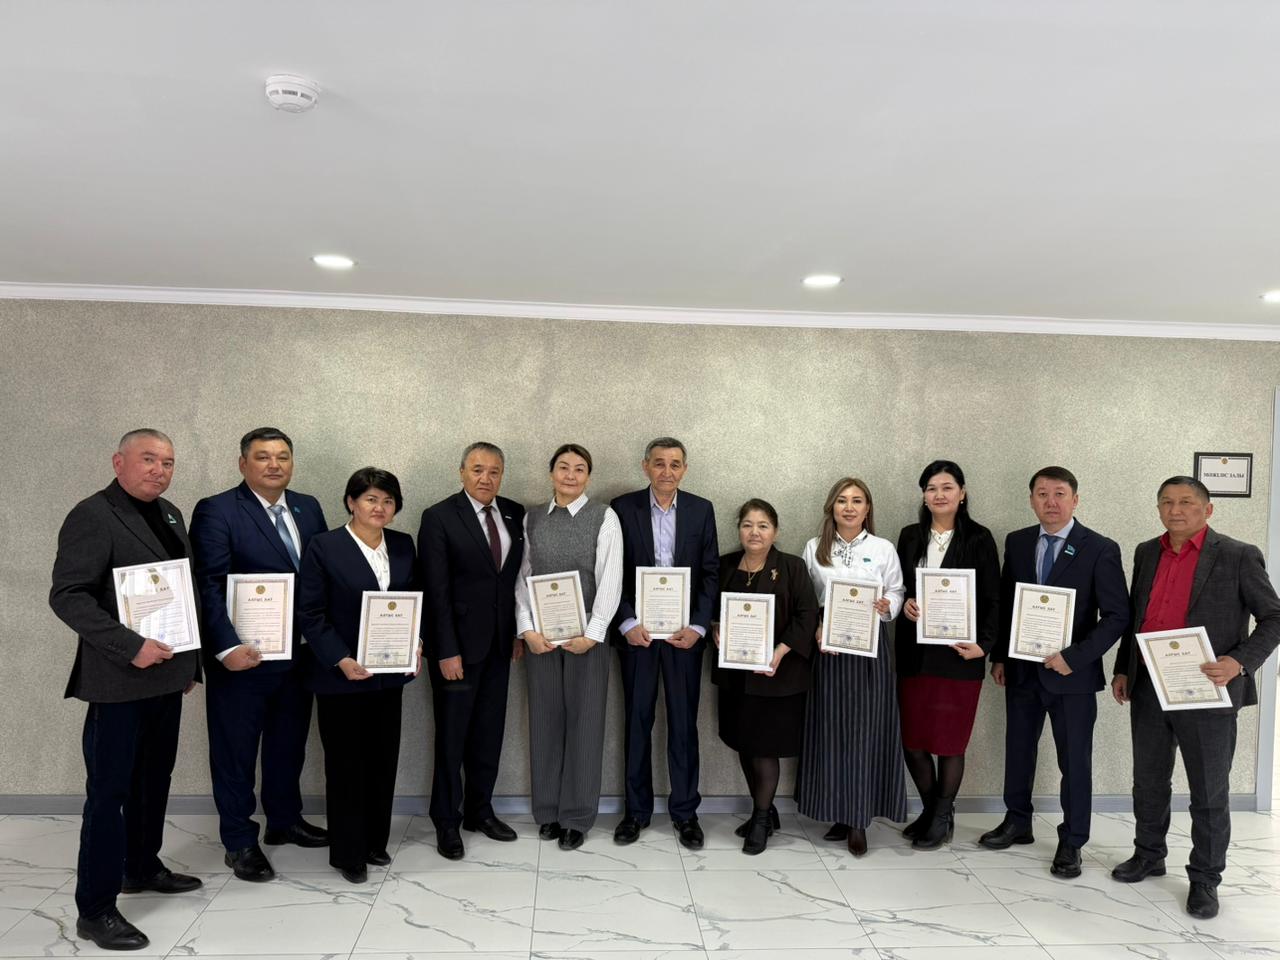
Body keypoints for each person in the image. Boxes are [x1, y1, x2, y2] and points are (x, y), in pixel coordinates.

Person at [49, 429, 202, 951]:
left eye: (168, 462)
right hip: (118, 680)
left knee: (154, 780)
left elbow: (182, 592)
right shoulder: (92, 515)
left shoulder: (170, 514)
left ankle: (141, 866)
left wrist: (189, 664)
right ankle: (95, 909)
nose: (160, 470)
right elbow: (68, 595)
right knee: (109, 793)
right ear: (119, 462)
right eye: (149, 459)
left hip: (167, 676)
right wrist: (131, 646)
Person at [1110, 476, 1280, 919]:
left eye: (1186, 502)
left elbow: (1275, 617)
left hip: (1209, 688)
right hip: (1149, 684)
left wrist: (1239, 662)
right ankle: (1149, 854)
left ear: (1208, 509)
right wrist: (1124, 669)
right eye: (1167, 502)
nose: (1176, 510)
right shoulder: (1147, 552)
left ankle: (1205, 878)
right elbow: (1136, 616)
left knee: (1208, 790)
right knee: (1148, 780)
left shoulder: (1239, 555)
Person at [189, 427, 329, 884]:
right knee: (236, 751)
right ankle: (239, 841)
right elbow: (208, 585)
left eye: (282, 456)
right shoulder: (217, 510)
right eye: (263, 456)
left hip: (298, 655)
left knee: (288, 744)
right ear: (243, 463)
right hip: (242, 659)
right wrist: (226, 647)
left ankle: (284, 821)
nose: (274, 465)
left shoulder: (308, 507)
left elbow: (323, 576)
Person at [982, 466, 1129, 879]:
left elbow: (1117, 616)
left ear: (1075, 500)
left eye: (1059, 493)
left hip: (1072, 677)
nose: (1051, 502)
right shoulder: (1018, 541)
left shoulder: (1100, 548)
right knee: (1018, 750)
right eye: (1042, 494)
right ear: (1031, 499)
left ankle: (1073, 840)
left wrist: (1075, 657)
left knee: (1075, 762)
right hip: (1021, 670)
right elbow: (1008, 602)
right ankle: (1017, 821)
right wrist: (999, 657)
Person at [297, 467, 421, 884]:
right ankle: (348, 852)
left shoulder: (402, 544)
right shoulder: (324, 546)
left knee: (383, 758)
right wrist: (341, 658)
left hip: (388, 674)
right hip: (341, 676)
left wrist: (417, 643)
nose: (379, 507)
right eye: (370, 499)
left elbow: (413, 601)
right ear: (351, 502)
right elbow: (311, 613)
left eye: (387, 500)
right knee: (346, 764)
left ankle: (374, 842)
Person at [418, 442, 526, 860]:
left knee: (488, 734)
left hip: (499, 645)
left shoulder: (513, 512)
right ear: (461, 471)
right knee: (452, 738)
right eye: (478, 470)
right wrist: (446, 650)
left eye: (494, 471)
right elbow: (435, 590)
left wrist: (516, 632)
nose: (486, 478)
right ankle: (447, 820)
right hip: (457, 650)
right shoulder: (439, 517)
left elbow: (514, 580)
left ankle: (480, 811)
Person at [611, 437, 719, 850]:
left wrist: (698, 626)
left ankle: (685, 812)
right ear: (646, 467)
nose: (667, 471)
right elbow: (612, 573)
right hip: (637, 637)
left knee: (683, 725)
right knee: (637, 723)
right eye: (659, 463)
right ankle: (635, 812)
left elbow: (710, 573)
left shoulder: (701, 510)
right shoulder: (623, 509)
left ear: (684, 469)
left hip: (682, 639)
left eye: (675, 464)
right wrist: (626, 622)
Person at [514, 443, 623, 850]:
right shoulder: (533, 518)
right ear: (551, 473)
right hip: (542, 639)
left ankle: (576, 816)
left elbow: (610, 577)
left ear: (588, 477)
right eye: (563, 467)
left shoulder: (603, 517)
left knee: (585, 724)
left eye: (579, 469)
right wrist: (527, 629)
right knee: (544, 723)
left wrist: (594, 633)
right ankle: (547, 811)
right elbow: (522, 576)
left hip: (586, 638)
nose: (571, 475)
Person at [796, 478, 906, 857]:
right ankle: (837, 812)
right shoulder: (814, 547)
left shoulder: (882, 548)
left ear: (867, 508)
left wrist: (888, 606)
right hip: (828, 648)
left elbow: (897, 591)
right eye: (842, 500)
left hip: (869, 650)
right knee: (832, 730)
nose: (849, 507)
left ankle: (859, 819)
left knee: (864, 731)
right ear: (832, 506)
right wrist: (816, 628)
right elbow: (806, 599)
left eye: (857, 501)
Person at [894, 461, 1000, 849]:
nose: (939, 494)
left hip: (959, 656)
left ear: (962, 493)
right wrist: (905, 604)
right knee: (913, 741)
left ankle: (941, 817)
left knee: (950, 742)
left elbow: (993, 598)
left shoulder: (979, 538)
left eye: (947, 487)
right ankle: (931, 810)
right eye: (931, 488)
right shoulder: (910, 536)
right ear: (924, 496)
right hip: (915, 655)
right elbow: (899, 587)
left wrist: (985, 645)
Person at [712, 499, 818, 855]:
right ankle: (767, 811)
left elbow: (807, 615)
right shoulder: (725, 565)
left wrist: (781, 651)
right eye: (747, 525)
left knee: (764, 748)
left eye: (762, 526)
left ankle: (760, 819)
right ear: (739, 529)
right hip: (736, 677)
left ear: (775, 531)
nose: (754, 532)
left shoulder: (791, 567)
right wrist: (715, 628)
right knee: (745, 743)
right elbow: (711, 608)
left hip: (777, 676)